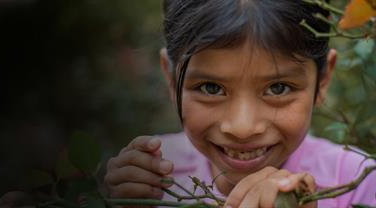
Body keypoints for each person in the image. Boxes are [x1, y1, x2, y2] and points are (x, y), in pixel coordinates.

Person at [104, 0, 376, 207]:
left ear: (323, 79)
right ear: (172, 79)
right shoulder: (148, 178)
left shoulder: (358, 183)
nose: (242, 128)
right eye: (211, 88)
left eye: (278, 88)